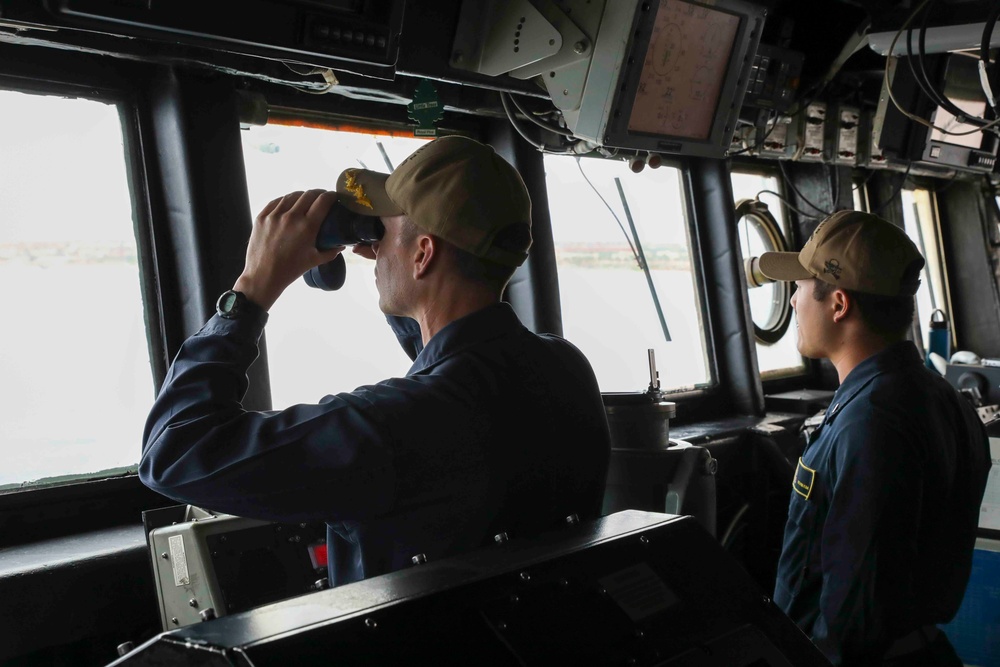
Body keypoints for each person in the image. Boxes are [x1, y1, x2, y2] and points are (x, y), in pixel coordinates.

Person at [140, 135, 612, 588]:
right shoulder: (566, 370)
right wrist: (396, 263)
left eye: (383, 234)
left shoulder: (394, 428)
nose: (374, 247)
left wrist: (252, 288)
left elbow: (175, 452)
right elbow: (452, 365)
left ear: (423, 254)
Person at [755, 210, 991, 666]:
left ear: (839, 304)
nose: (793, 302)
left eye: (801, 287)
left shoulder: (871, 422)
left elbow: (854, 610)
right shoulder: (942, 399)